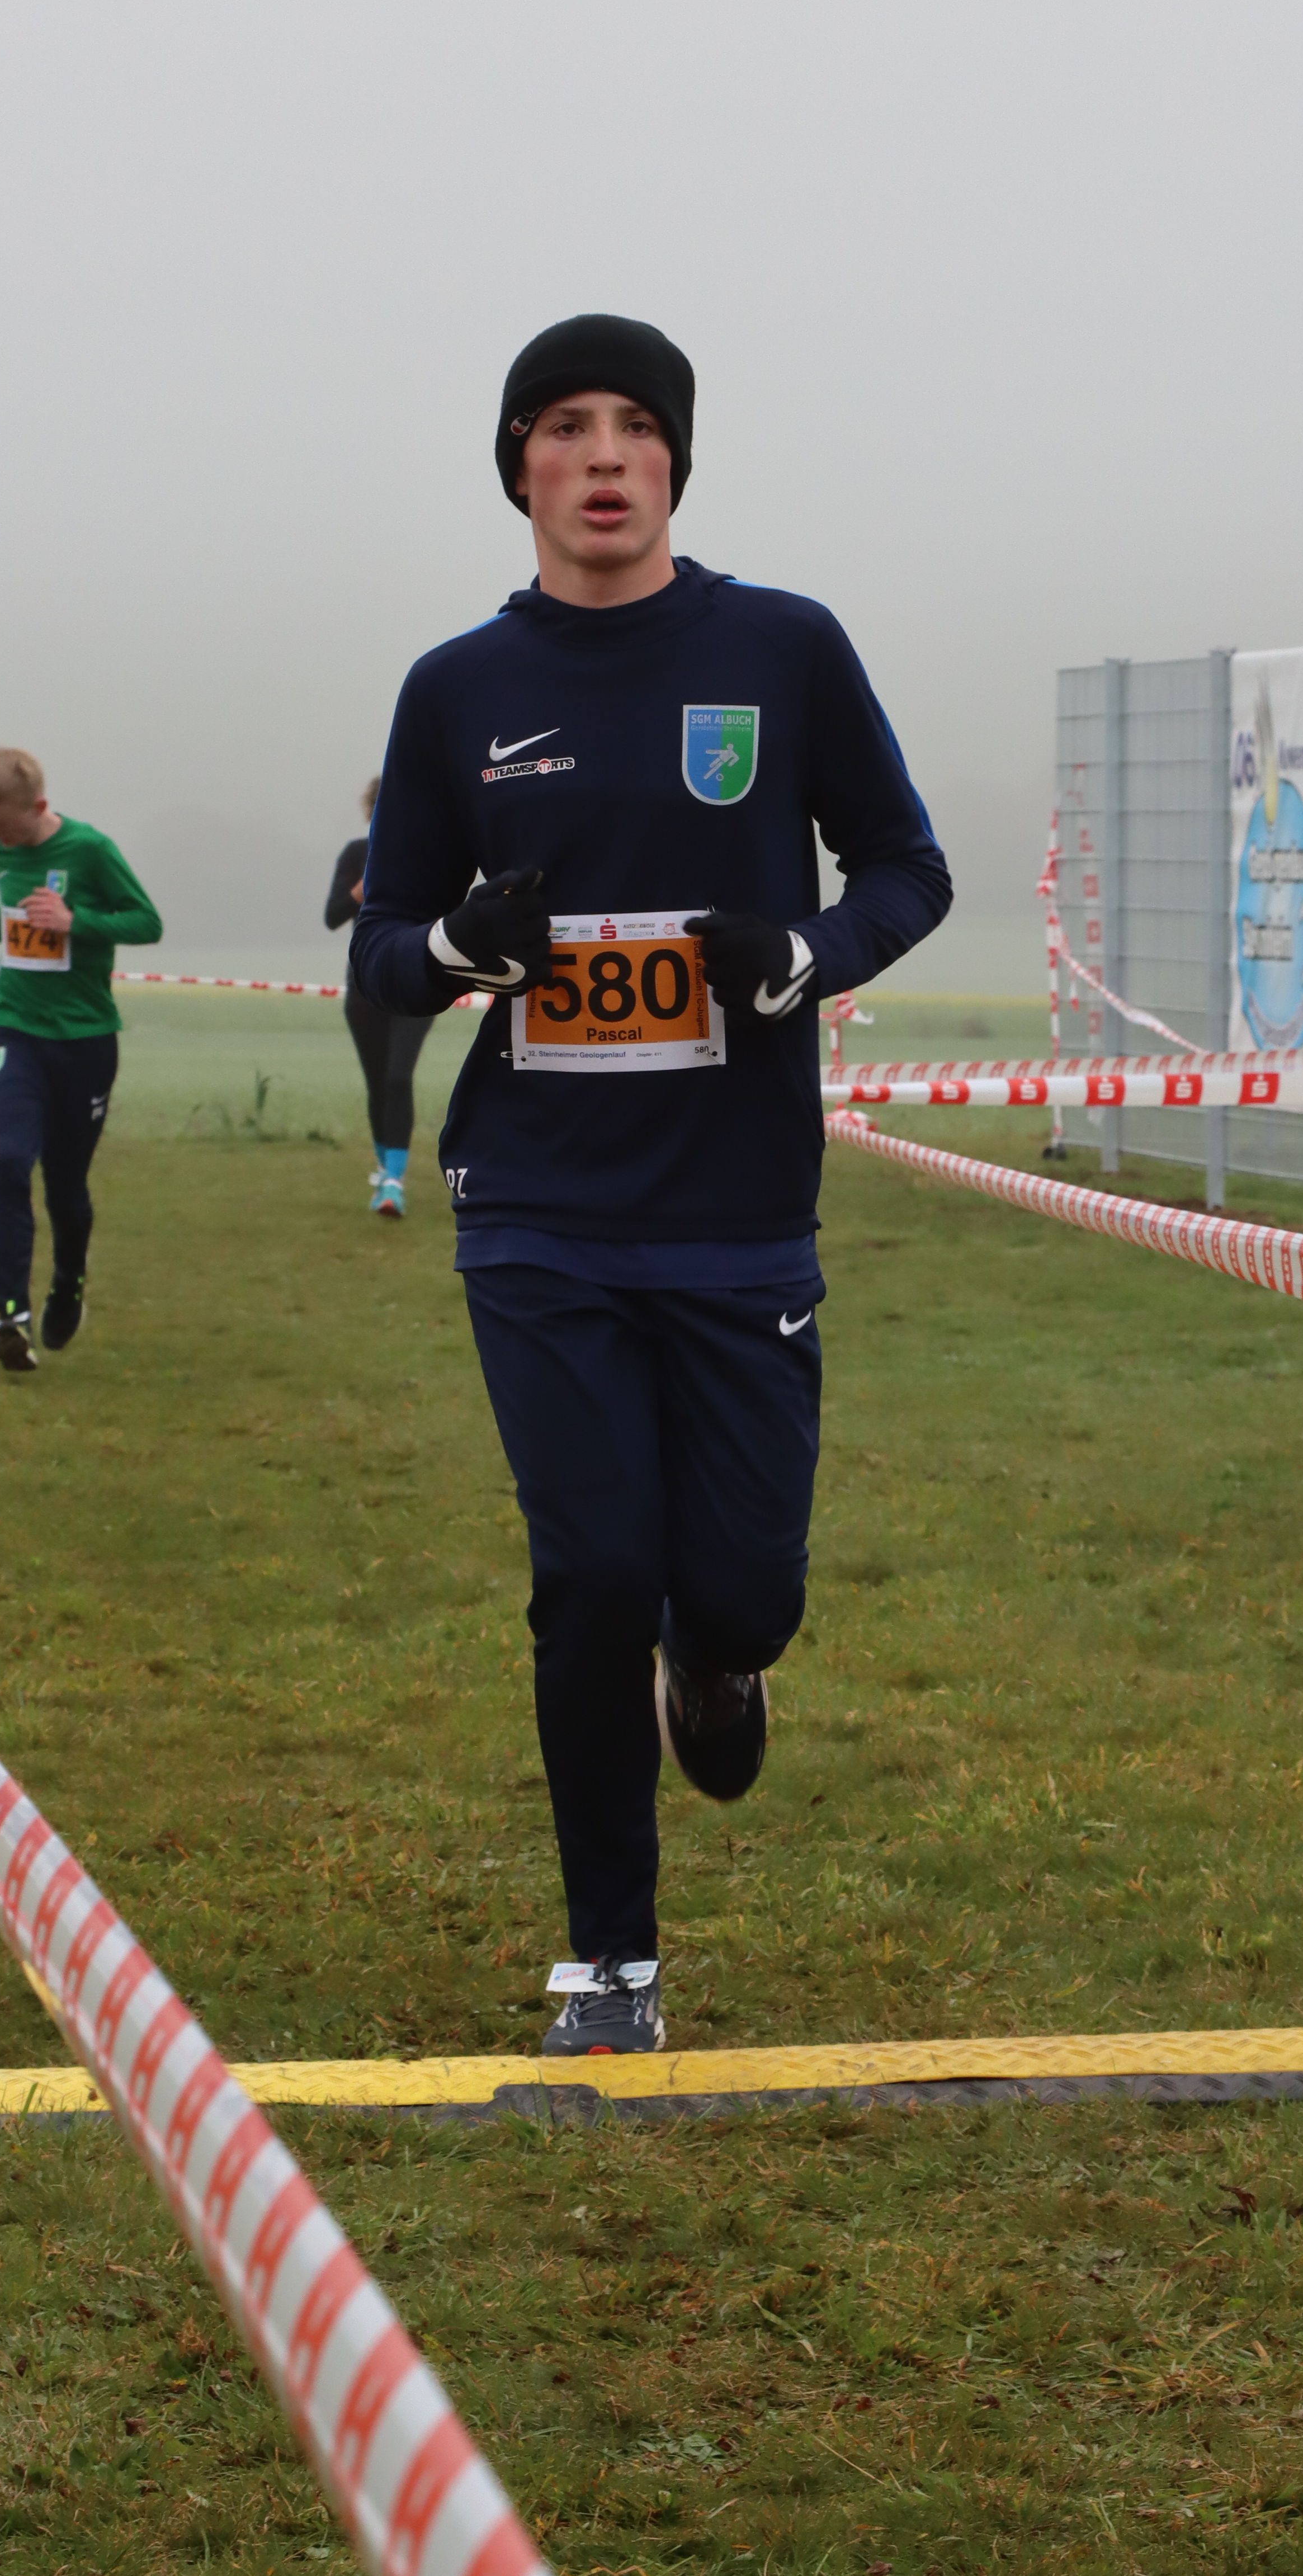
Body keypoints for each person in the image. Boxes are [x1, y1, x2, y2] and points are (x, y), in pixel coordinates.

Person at [352, 313, 951, 2054]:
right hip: (537, 1210)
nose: (602, 454)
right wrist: (454, 948)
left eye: (634, 424)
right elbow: (383, 947)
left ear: (676, 460)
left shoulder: (781, 648)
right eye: (563, 425)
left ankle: (722, 1650)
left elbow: (906, 868)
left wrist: (807, 959)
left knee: (743, 1586)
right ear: (519, 467)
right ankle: (610, 1962)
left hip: (739, 1207)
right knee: (592, 1572)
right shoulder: (457, 688)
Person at [0, 748, 163, 1373]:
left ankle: (69, 1282)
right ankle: (10, 1317)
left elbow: (147, 922)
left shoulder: (90, 850)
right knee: (10, 1160)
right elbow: (13, 905)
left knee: (65, 1186)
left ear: (38, 806)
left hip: (86, 1040)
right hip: (16, 1029)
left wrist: (74, 920)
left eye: (5, 825)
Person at [325, 776, 436, 1216]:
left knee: (397, 1077)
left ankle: (393, 1184)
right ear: (372, 812)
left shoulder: (430, 854)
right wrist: (363, 886)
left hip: (415, 982)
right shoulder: (357, 854)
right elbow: (332, 916)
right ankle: (385, 1168)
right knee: (376, 1082)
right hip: (365, 983)